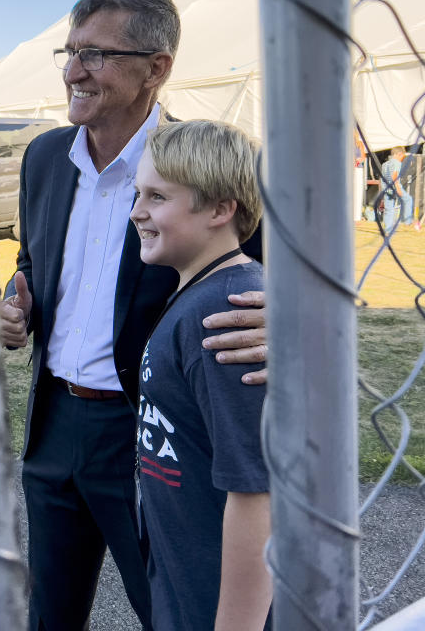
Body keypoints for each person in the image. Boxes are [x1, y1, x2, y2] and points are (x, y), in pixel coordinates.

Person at [0, 0, 266, 630]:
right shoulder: (43, 158)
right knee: (50, 614)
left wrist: (285, 318)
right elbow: (33, 261)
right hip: (56, 423)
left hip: (149, 430)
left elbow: (260, 265)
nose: (71, 71)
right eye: (69, 51)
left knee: (173, 608)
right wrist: (15, 299)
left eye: (95, 54)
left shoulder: (200, 162)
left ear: (157, 67)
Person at [132, 120, 271, 631]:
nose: (136, 211)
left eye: (157, 197)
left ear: (219, 208)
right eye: (137, 193)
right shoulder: (198, 294)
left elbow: (256, 493)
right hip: (186, 582)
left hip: (220, 601)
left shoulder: (227, 314)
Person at [381, 146, 411, 232]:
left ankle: (388, 229)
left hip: (386, 189)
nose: (402, 158)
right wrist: (398, 188)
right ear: (399, 154)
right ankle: (407, 221)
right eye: (403, 156)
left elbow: (382, 179)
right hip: (395, 187)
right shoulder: (397, 163)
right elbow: (394, 175)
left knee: (388, 209)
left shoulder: (384, 164)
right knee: (408, 199)